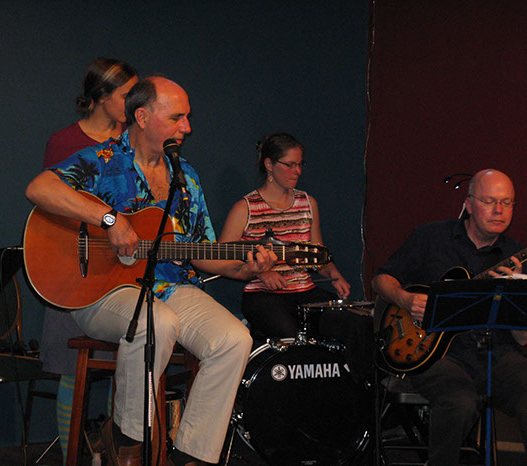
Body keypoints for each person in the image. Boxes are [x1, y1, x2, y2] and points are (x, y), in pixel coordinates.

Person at [26, 76, 276, 466]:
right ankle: (128, 441)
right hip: (101, 291)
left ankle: (191, 455)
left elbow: (202, 251)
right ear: (142, 117)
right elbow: (40, 188)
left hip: (171, 287)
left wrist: (247, 269)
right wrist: (109, 219)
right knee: (156, 321)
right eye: (177, 117)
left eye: (188, 117)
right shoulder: (102, 160)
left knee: (234, 339)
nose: (187, 127)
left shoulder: (185, 176)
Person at [372, 169, 527, 466]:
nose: (499, 210)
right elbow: (381, 280)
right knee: (459, 402)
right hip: (435, 354)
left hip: (496, 354)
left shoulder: (516, 256)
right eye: (489, 201)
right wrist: (405, 299)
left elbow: (522, 339)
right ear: (468, 204)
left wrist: (516, 291)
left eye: (507, 202)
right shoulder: (431, 237)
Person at [38, 57, 139, 461]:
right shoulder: (65, 142)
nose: (135, 103)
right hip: (73, 264)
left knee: (127, 367)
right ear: (100, 96)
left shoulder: (134, 140)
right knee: (72, 367)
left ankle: (116, 455)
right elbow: (51, 205)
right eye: (127, 95)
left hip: (121, 268)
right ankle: (72, 457)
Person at [219, 133, 351, 339]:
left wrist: (334, 274)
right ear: (269, 165)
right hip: (262, 294)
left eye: (300, 164)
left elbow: (317, 255)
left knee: (351, 322)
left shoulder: (308, 203)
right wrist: (261, 273)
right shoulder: (245, 208)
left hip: (305, 290)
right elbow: (222, 257)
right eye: (290, 165)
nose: (297, 171)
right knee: (290, 334)